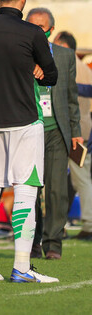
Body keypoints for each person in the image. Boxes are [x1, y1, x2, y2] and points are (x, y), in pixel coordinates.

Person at [0, 0, 59, 283]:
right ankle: (21, 267)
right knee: (25, 192)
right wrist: (37, 71)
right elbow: (51, 75)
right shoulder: (32, 33)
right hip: (25, 121)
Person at [26, 8, 82, 260]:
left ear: (50, 30)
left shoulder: (66, 56)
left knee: (57, 190)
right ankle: (34, 241)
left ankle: (53, 243)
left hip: (57, 132)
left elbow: (72, 99)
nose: (37, 31)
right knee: (31, 191)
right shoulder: (19, 54)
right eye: (32, 26)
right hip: (28, 129)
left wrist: (76, 133)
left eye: (42, 27)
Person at [53, 31, 92, 242]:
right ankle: (86, 222)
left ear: (64, 46)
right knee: (82, 178)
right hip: (84, 131)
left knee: (67, 179)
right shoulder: (86, 68)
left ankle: (80, 223)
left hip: (68, 130)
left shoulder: (66, 65)